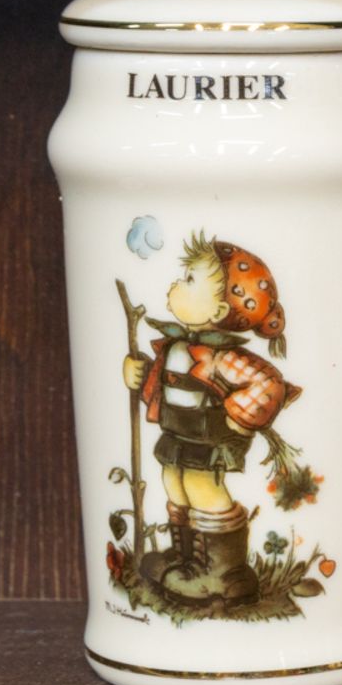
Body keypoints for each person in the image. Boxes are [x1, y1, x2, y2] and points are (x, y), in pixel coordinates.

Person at [122, 232, 297, 606]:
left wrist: (240, 418)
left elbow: (269, 384)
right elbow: (164, 383)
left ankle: (225, 572)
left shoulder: (222, 356)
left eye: (188, 280)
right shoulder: (176, 346)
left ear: (217, 312)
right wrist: (137, 376)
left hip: (210, 437)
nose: (175, 284)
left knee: (204, 489)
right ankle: (186, 560)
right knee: (174, 482)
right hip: (179, 434)